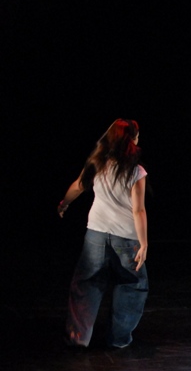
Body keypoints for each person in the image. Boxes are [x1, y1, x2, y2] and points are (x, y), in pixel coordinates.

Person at [58, 119, 148, 349]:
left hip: (96, 233)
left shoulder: (98, 163)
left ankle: (78, 337)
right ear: (131, 140)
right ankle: (119, 339)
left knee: (86, 283)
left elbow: (78, 185)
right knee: (132, 283)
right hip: (126, 237)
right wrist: (144, 243)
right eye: (137, 136)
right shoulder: (136, 171)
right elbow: (138, 210)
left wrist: (64, 204)